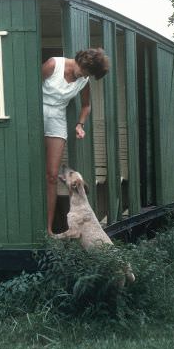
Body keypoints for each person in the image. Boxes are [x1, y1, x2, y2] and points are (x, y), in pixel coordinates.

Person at [42, 48, 110, 235]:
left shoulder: (84, 80)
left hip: (57, 118)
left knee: (52, 175)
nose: (84, 75)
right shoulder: (53, 64)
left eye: (89, 74)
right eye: (85, 71)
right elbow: (28, 89)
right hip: (36, 112)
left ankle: (48, 229)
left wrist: (80, 124)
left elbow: (86, 105)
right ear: (81, 60)